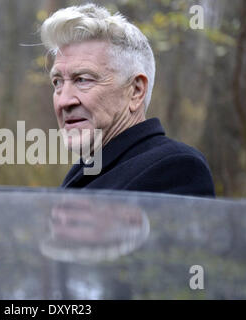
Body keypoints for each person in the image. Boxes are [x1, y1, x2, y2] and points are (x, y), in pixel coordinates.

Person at [40, 4, 215, 197]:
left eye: (82, 79)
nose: (64, 101)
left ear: (136, 91)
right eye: (57, 82)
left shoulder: (176, 168)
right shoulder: (89, 168)